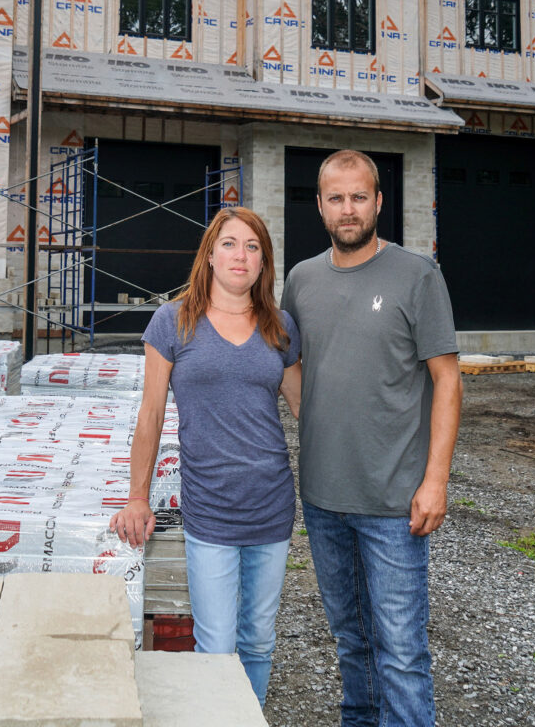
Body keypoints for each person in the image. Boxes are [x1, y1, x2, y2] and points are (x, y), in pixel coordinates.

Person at [280, 149, 461, 727]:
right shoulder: (302, 280)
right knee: (351, 642)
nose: (348, 209)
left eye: (359, 196)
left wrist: (435, 481)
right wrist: (317, 415)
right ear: (319, 206)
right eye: (336, 198)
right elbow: (287, 359)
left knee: (402, 652)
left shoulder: (417, 275)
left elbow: (448, 381)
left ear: (379, 202)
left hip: (394, 502)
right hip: (324, 497)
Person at [110, 205, 301, 706]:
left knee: (258, 641)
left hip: (272, 507)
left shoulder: (279, 327)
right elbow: (150, 415)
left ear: (264, 263)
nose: (242, 255)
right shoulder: (173, 321)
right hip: (211, 510)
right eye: (231, 244)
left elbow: (311, 411)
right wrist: (137, 497)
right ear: (211, 256)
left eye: (253, 246)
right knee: (216, 645)